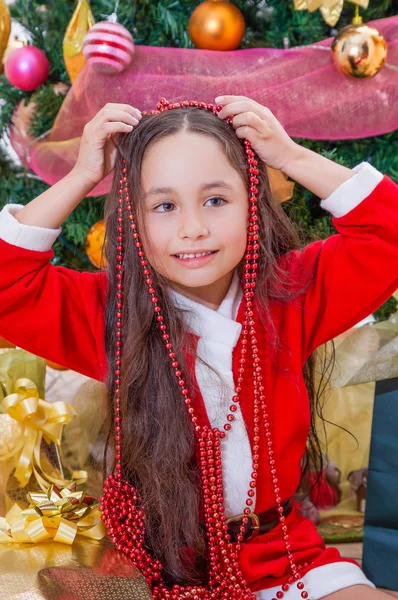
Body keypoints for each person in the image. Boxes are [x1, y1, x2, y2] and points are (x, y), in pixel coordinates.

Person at [0, 96, 397, 600]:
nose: (193, 229)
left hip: (284, 554)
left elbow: (389, 235)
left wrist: (291, 156)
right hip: (159, 567)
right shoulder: (110, 313)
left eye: (215, 200)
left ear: (251, 201)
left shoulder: (292, 294)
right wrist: (82, 176)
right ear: (134, 220)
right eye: (164, 206)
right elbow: (7, 282)